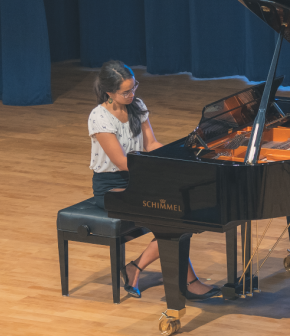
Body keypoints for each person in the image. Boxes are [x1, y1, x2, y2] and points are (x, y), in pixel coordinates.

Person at [88, 60, 221, 300]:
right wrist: (158, 174)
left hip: (140, 176)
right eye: (125, 91)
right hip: (112, 185)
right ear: (109, 93)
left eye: (134, 87)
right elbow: (122, 163)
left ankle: (137, 268)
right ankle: (184, 280)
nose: (132, 94)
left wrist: (178, 157)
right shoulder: (99, 118)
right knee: (173, 215)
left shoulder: (136, 105)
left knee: (182, 210)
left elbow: (151, 145)